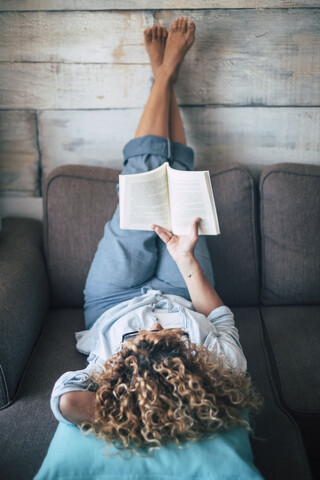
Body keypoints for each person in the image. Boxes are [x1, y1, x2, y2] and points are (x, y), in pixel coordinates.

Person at [51, 17, 262, 454]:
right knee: (180, 189)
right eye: (167, 341)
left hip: (112, 299)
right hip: (181, 286)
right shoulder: (224, 368)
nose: (154, 329)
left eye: (142, 345)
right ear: (189, 367)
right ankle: (165, 73)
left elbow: (68, 400)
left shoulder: (109, 378)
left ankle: (164, 71)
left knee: (141, 179)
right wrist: (186, 259)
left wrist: (140, 408)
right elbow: (220, 317)